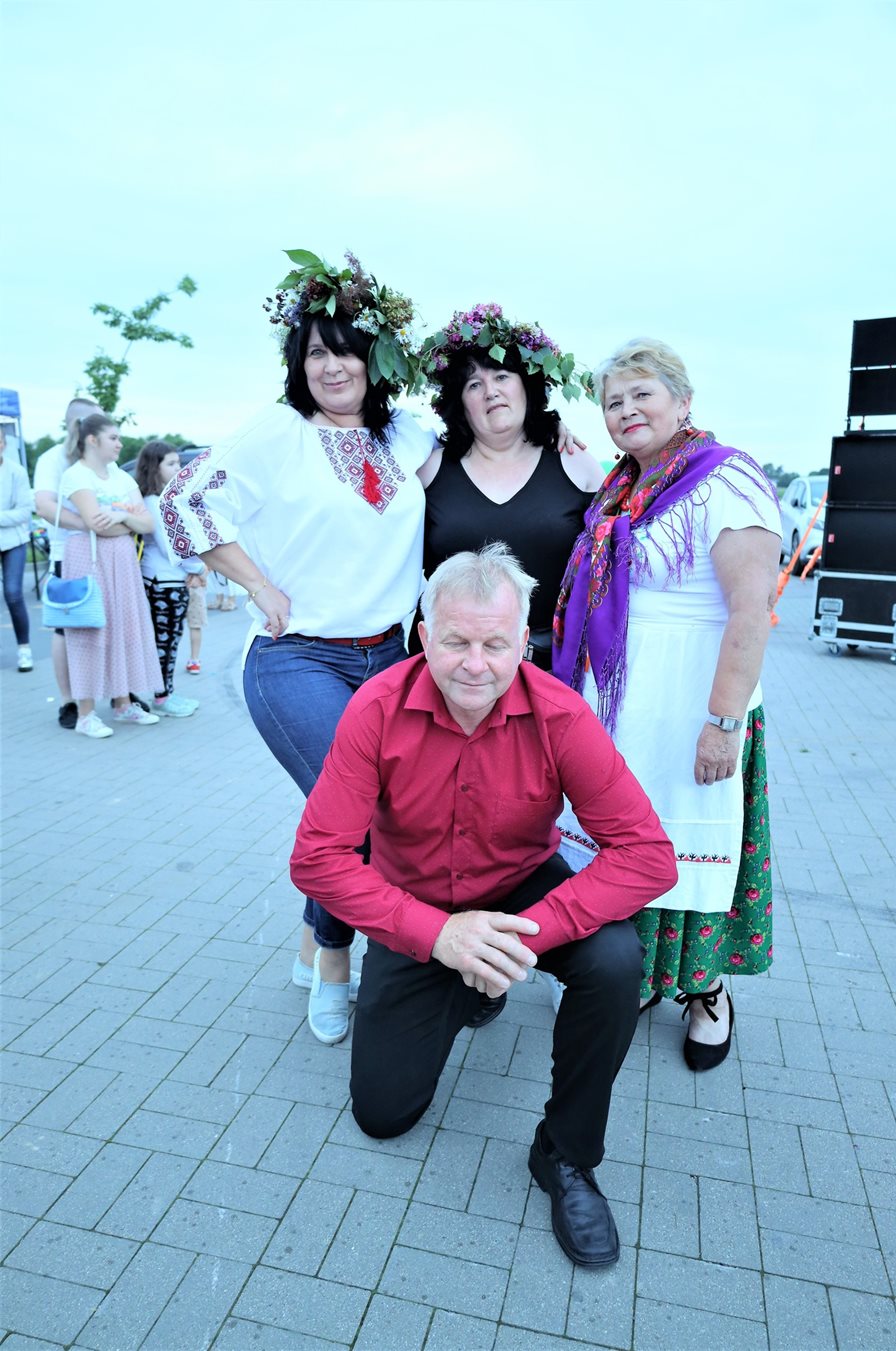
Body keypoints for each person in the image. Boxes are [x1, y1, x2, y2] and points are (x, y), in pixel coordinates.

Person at [291, 544, 677, 1267]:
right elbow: (316, 858)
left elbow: (648, 854)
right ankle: (471, 987)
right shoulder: (375, 709)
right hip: (416, 909)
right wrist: (439, 935)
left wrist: (521, 937)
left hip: (517, 890)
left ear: (523, 640)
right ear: (423, 635)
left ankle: (565, 1153)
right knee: (383, 1114)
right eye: (456, 642)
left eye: (495, 644)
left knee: (615, 956)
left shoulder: (561, 714)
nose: (475, 664)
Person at [161, 249, 434, 1043]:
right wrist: (256, 583)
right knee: (358, 807)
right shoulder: (278, 431)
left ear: (376, 358)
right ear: (298, 360)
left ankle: (313, 937)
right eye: (316, 351)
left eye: (347, 348)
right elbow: (184, 502)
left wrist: (556, 442)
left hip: (390, 657)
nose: (332, 365)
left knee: (354, 809)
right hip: (297, 657)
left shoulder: (406, 434)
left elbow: (487, 466)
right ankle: (335, 960)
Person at [553, 339, 782, 1071]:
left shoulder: (725, 479)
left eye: (641, 394)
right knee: (626, 843)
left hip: (693, 709)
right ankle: (644, 976)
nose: (626, 410)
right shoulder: (622, 487)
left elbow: (751, 613)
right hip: (626, 712)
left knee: (688, 847)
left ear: (683, 401)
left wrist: (723, 724)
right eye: (612, 401)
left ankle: (707, 990)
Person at [413, 303, 604, 671]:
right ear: (459, 403)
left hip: (550, 670)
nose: (491, 392)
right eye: (474, 385)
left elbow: (608, 569)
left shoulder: (575, 463)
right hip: (448, 669)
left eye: (502, 376)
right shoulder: (430, 470)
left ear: (526, 386)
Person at [59, 414, 163, 738]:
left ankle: (123, 703)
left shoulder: (120, 476)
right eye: (113, 438)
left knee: (125, 629)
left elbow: (148, 524)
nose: (119, 444)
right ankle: (85, 714)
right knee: (89, 632)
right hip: (89, 560)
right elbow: (96, 524)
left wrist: (119, 516)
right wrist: (129, 520)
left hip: (122, 561)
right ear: (92, 440)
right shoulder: (76, 475)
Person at [33, 397, 101, 721]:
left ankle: (121, 695)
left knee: (107, 623)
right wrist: (92, 526)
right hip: (68, 554)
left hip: (104, 555)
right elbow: (45, 506)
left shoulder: (102, 459)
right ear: (77, 425)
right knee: (67, 629)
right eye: (95, 421)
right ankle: (68, 701)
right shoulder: (52, 459)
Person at [134, 440, 203, 717]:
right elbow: (171, 546)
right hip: (163, 582)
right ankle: (162, 697)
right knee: (165, 642)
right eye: (171, 463)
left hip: (168, 580)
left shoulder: (161, 500)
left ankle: (166, 693)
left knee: (169, 641)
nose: (178, 468)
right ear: (154, 467)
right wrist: (197, 568)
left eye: (178, 463)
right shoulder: (154, 502)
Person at [0, 426, 33, 672]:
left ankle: (24, 649)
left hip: (13, 541)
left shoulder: (16, 472)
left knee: (13, 593)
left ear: (3, 444)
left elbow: (24, 512)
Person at [184, 571, 207, 673]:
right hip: (195, 584)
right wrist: (202, 575)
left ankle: (164, 660)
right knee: (195, 625)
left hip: (169, 582)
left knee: (168, 626)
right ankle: (194, 660)